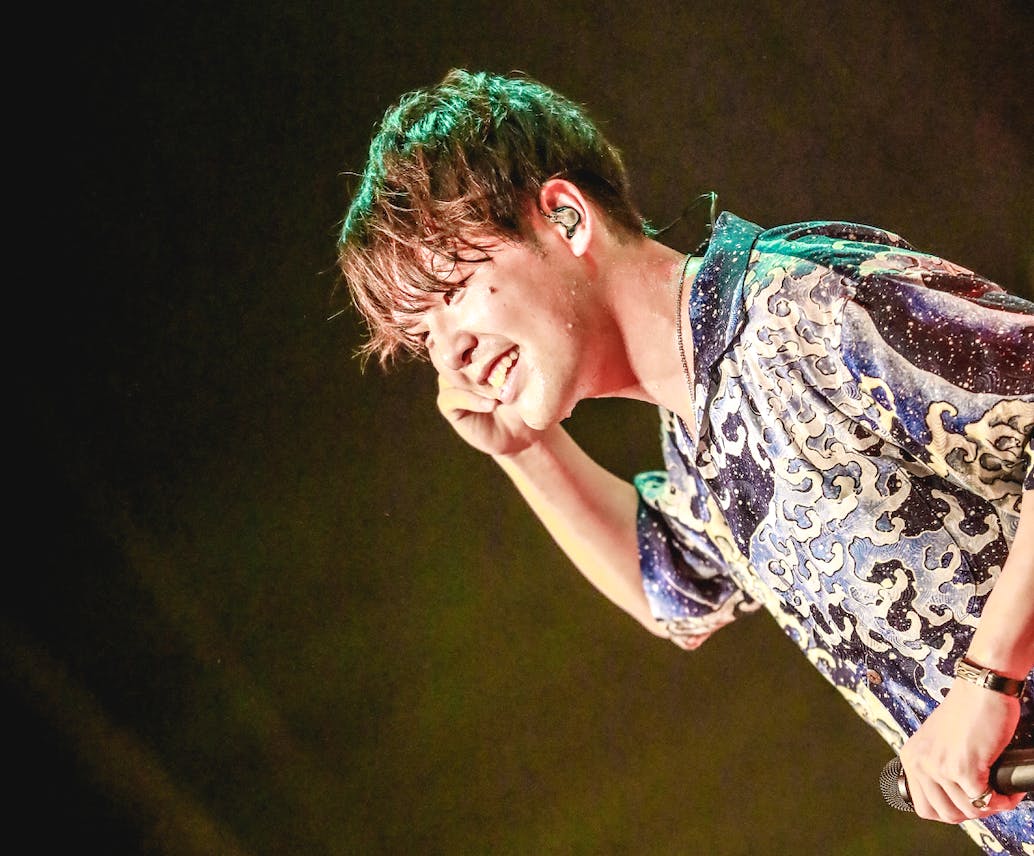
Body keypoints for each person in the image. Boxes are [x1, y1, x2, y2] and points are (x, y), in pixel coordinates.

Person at [337, 69, 1034, 853]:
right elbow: (672, 591)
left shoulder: (797, 310)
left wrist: (989, 674)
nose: (449, 356)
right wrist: (526, 450)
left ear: (566, 217)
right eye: (422, 337)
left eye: (454, 290)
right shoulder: (700, 433)